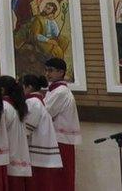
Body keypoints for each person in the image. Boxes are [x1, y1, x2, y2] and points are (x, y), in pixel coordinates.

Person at [43, 58, 80, 191]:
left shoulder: (60, 91)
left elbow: (46, 113)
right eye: (46, 70)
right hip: (57, 138)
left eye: (51, 70)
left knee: (61, 176)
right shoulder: (53, 90)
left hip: (61, 139)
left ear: (61, 72)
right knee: (55, 177)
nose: (47, 73)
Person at [20, 74, 62, 189]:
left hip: (37, 153)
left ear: (29, 87)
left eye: (21, 86)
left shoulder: (33, 102)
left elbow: (27, 129)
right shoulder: (37, 101)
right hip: (40, 152)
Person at [0, 76, 33, 191]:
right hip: (19, 157)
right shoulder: (17, 107)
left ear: (2, 89)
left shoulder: (4, 107)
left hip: (10, 158)